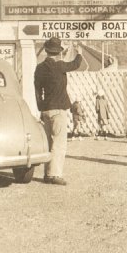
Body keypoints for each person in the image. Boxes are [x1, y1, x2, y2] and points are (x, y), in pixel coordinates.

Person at [34, 37, 83, 185]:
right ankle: (54, 174)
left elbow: (37, 90)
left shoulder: (40, 68)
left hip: (46, 109)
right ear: (58, 52)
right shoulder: (60, 66)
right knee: (59, 143)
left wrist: (40, 107)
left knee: (49, 142)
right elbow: (75, 64)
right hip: (59, 109)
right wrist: (79, 53)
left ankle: (47, 173)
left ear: (47, 51)